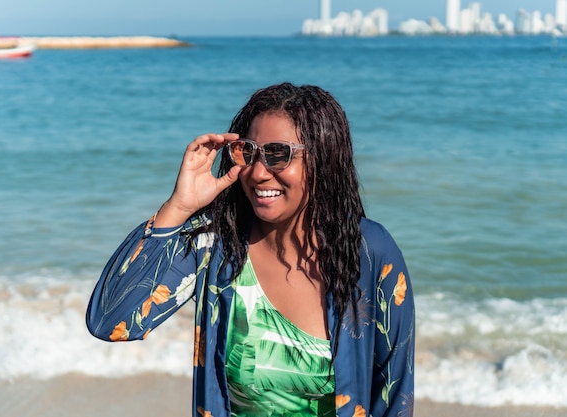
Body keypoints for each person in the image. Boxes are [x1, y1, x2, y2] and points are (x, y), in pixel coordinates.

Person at [86, 82, 414, 417]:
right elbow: (111, 321)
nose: (258, 173)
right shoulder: (217, 245)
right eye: (249, 152)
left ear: (324, 158)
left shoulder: (367, 252)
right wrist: (179, 207)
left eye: (277, 154)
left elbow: (394, 395)